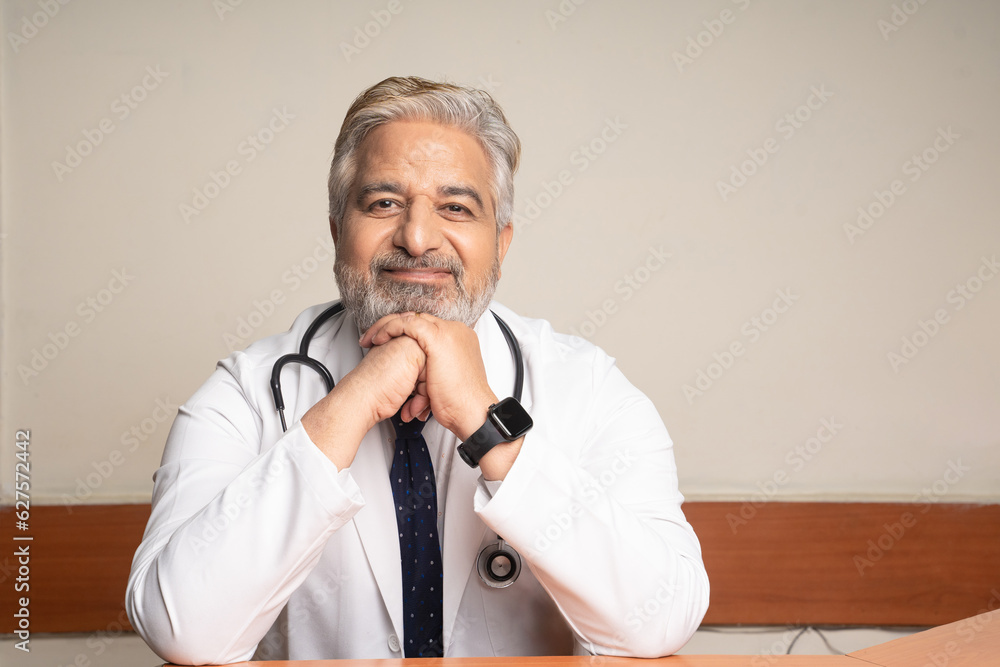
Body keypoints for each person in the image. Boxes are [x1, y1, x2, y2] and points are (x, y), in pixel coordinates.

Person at [126, 76, 709, 665]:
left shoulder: (589, 387)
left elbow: (660, 621)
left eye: (455, 207)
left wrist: (489, 426)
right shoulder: (246, 393)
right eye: (384, 204)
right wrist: (348, 407)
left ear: (501, 244)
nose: (417, 237)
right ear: (336, 232)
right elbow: (183, 630)